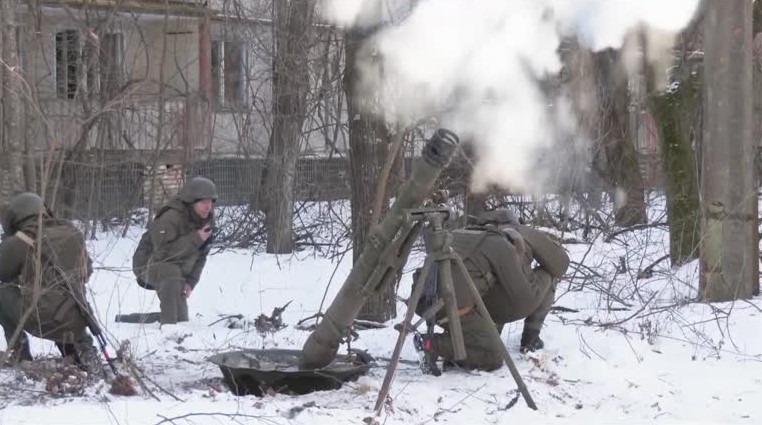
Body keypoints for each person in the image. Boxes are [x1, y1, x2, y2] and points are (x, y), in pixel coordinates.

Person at [413, 209, 569, 375]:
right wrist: (539, 278)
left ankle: (460, 349)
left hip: (423, 302)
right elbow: (525, 295)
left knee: (484, 287)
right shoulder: (499, 242)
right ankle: (433, 345)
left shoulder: (460, 234)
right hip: (454, 307)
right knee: (494, 355)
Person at [0, 192, 100, 374]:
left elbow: (3, 274)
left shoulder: (22, 240)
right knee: (60, 298)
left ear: (15, 218)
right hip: (77, 318)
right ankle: (81, 347)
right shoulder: (71, 232)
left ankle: (20, 353)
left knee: (3, 291)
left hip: (41, 320)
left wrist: (8, 245)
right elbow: (87, 271)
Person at [132, 177, 217, 325]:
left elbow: (201, 255)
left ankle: (159, 320)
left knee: (181, 318)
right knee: (170, 271)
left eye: (210, 202)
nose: (208, 207)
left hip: (177, 269)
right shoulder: (170, 217)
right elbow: (163, 255)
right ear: (191, 201)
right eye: (203, 202)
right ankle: (168, 326)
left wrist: (190, 282)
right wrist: (196, 238)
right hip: (147, 264)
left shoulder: (205, 220)